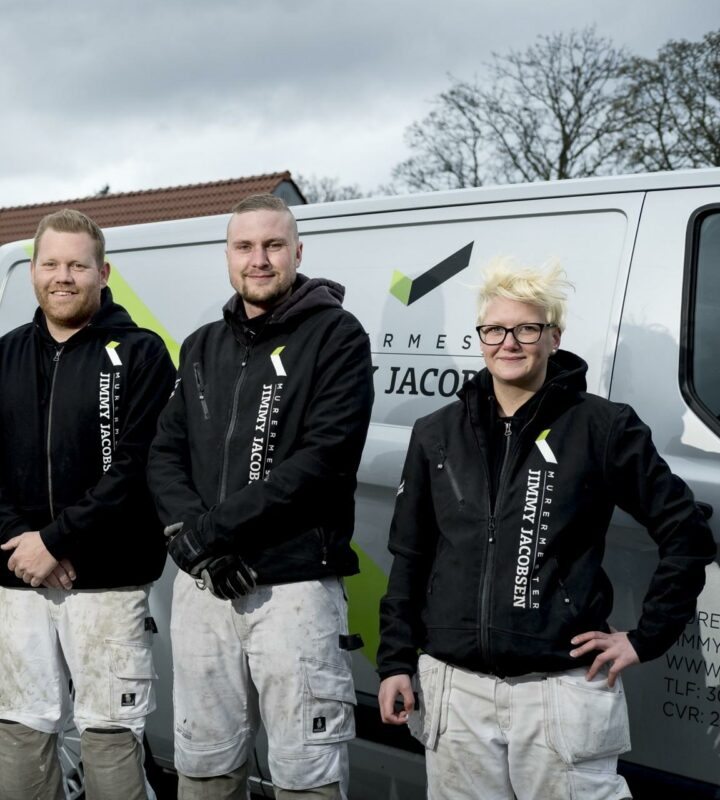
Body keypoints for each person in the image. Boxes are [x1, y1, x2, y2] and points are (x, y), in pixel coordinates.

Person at [376, 262, 717, 799]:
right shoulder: (436, 433)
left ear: (554, 337)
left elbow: (687, 531)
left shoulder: (603, 427)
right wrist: (395, 661)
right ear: (480, 337)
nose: (509, 343)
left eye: (527, 329)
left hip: (559, 693)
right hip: (454, 690)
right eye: (495, 330)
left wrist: (646, 636)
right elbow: (411, 556)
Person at [147, 194, 374, 799]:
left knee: (307, 772)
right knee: (203, 763)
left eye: (273, 246)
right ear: (227, 256)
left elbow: (322, 463)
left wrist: (212, 532)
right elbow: (165, 454)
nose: (260, 259)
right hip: (206, 586)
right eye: (245, 246)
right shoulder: (201, 345)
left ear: (298, 252)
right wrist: (198, 547)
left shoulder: (338, 337)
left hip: (294, 589)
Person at [0, 209, 176, 799]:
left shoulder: (143, 354)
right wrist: (23, 540)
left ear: (103, 272)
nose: (63, 276)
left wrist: (56, 540)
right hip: (22, 581)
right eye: (51, 264)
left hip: (107, 582)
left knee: (110, 734)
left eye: (77, 265)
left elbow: (137, 466)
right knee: (17, 729)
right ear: (33, 271)